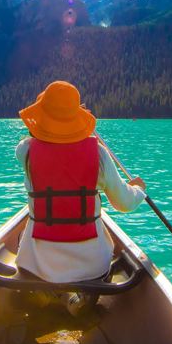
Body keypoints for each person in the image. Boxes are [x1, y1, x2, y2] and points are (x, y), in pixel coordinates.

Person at [15, 80, 146, 314]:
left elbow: (36, 138)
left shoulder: (25, 152)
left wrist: (61, 121)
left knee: (23, 238)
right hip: (92, 269)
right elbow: (124, 204)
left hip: (35, 267)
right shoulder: (98, 155)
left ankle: (47, 294)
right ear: (77, 117)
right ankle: (80, 300)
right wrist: (139, 190)